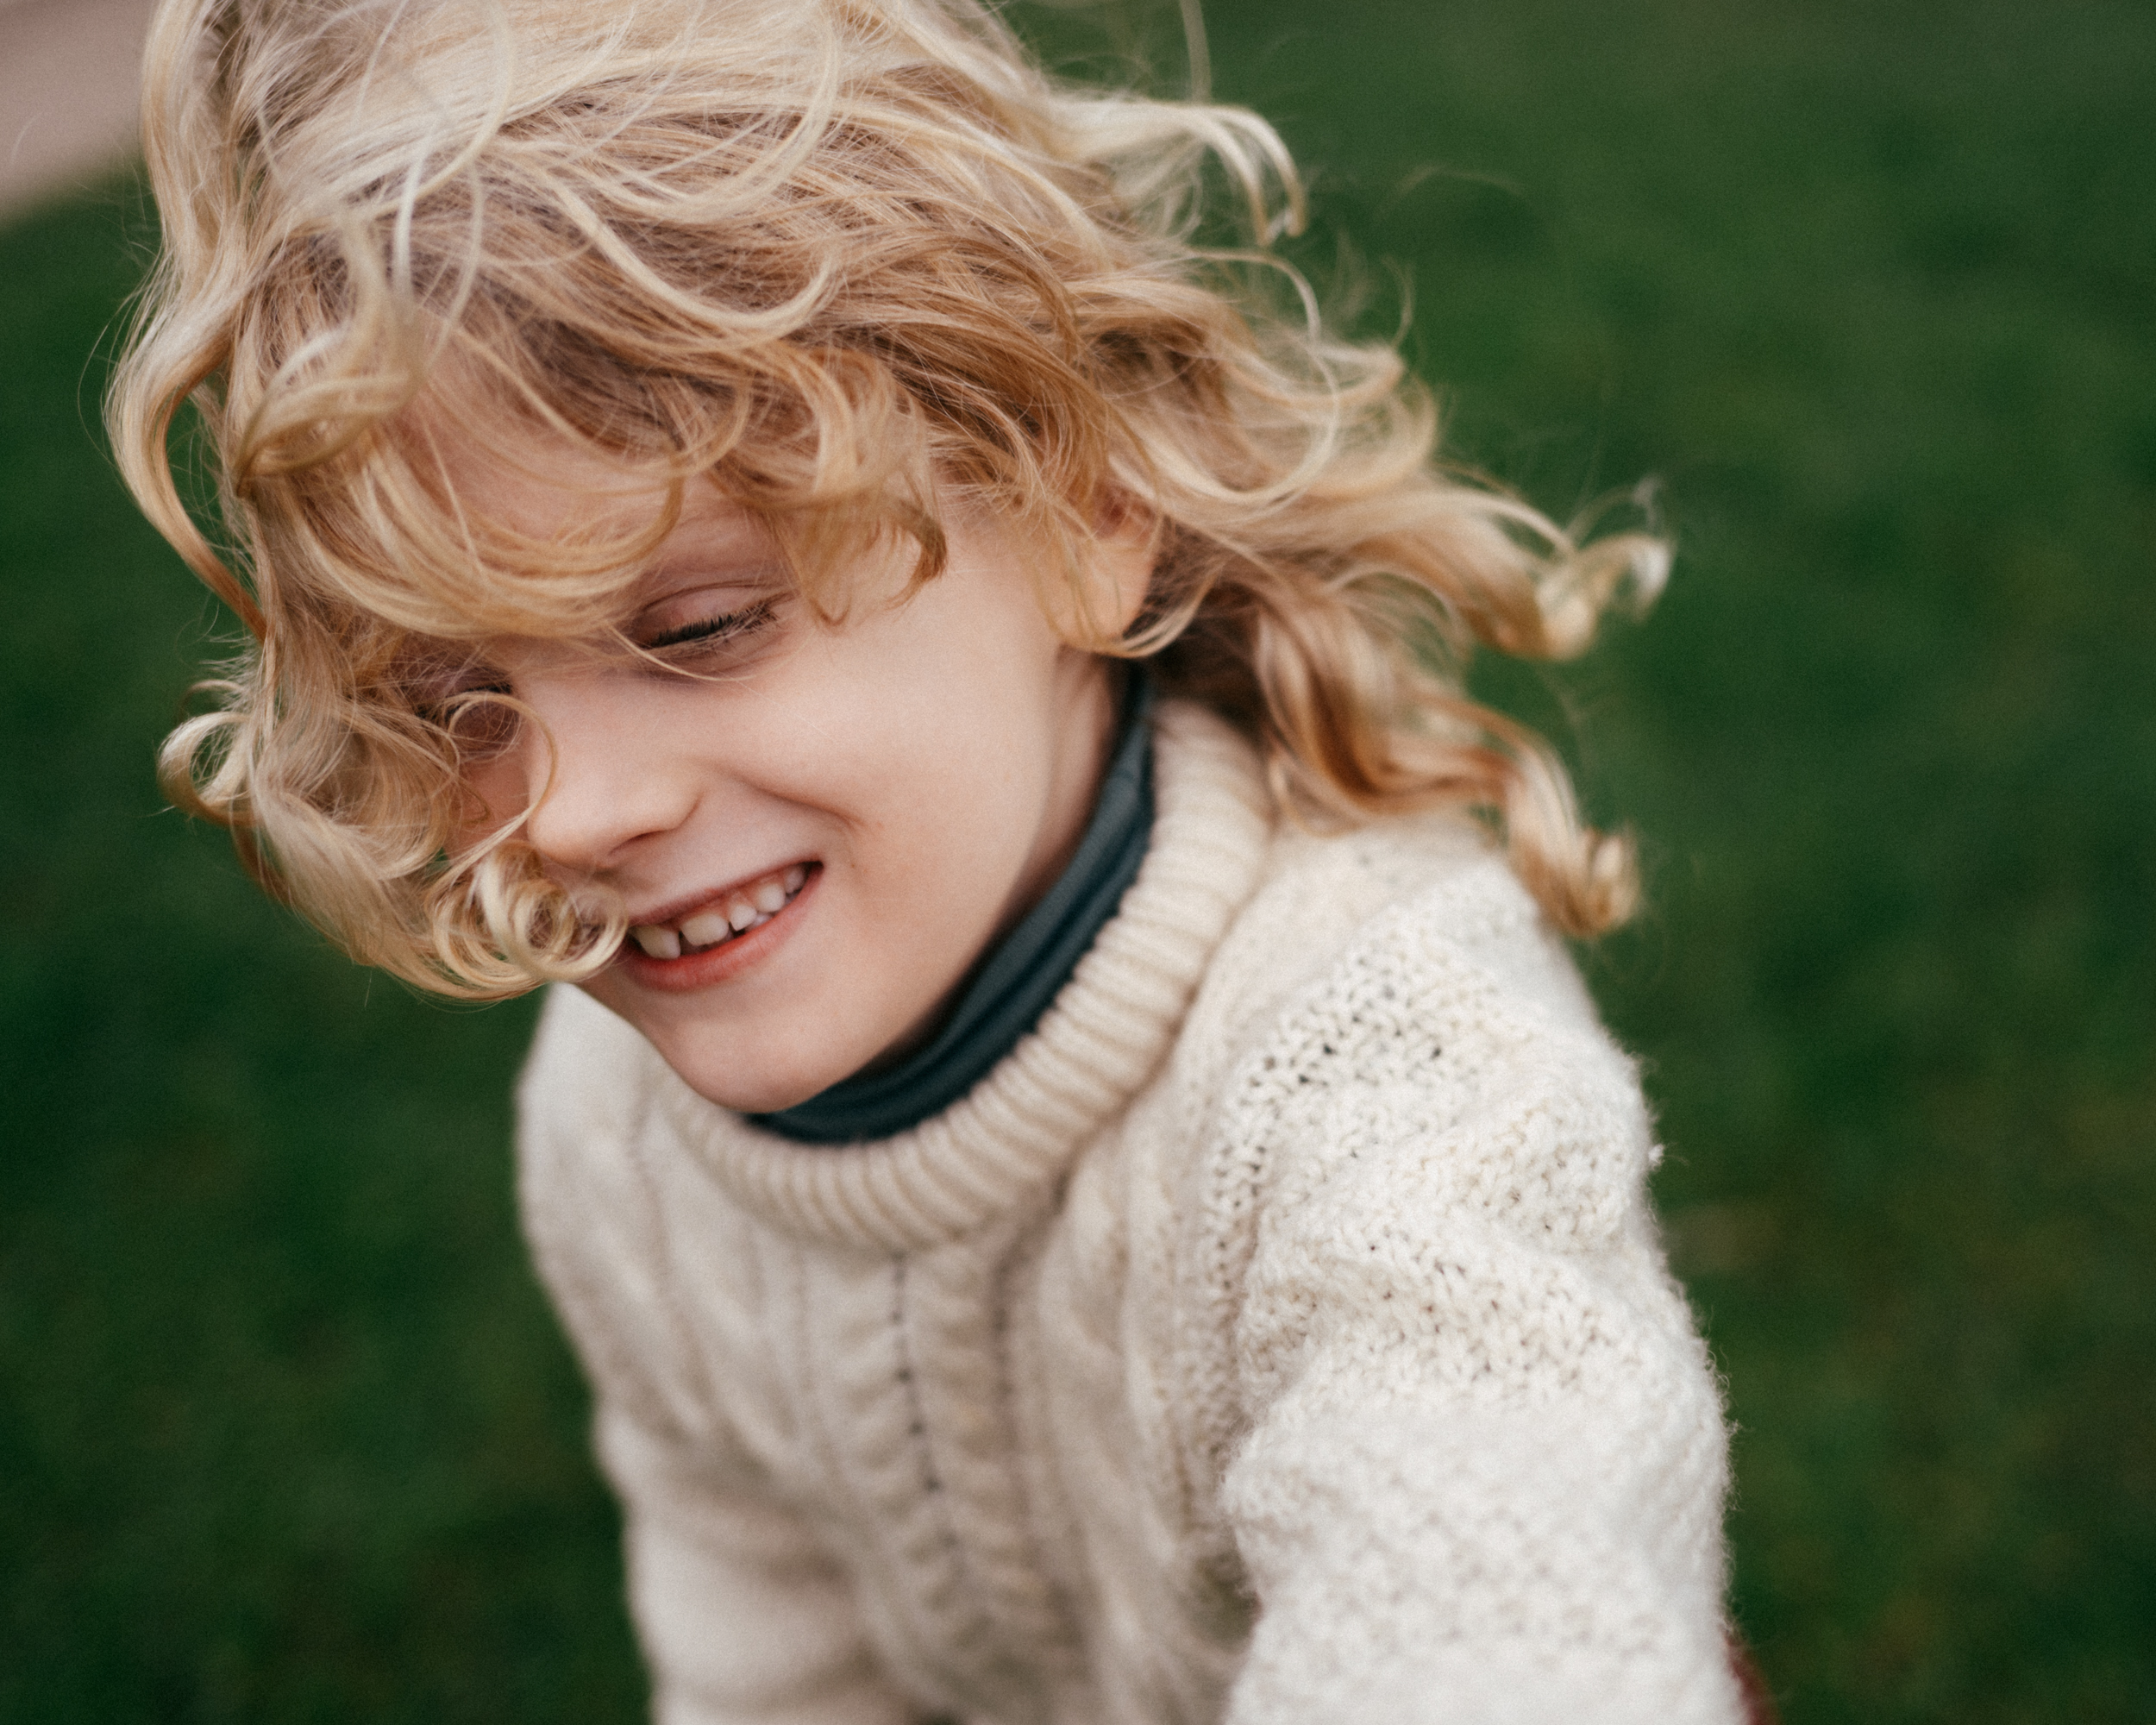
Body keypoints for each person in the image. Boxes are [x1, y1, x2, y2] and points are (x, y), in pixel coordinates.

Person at [110, 0, 1752, 1719]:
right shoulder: (614, 1130)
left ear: (1087, 510)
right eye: (454, 697)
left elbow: (1496, 1583)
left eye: (702, 627)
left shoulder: (1385, 1065)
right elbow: (774, 1668)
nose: (574, 809)